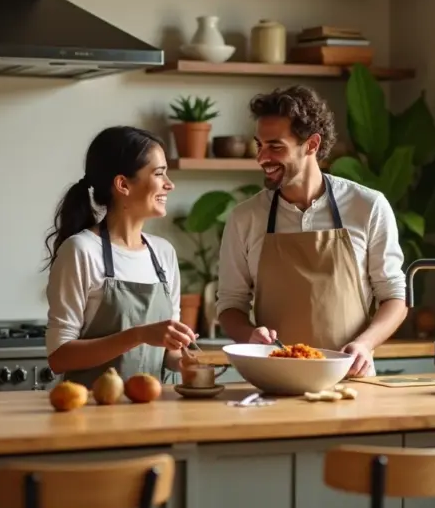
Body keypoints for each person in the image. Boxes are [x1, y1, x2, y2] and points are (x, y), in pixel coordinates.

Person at [216, 85, 409, 377]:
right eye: (259, 145)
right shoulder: (245, 217)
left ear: (312, 145)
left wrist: (365, 344)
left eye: (275, 146)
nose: (262, 158)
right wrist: (249, 335)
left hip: (350, 377)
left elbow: (394, 295)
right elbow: (230, 304)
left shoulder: (367, 206)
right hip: (275, 377)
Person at [43, 126, 197, 388]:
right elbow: (59, 357)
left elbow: (169, 351)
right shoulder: (81, 250)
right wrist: (138, 335)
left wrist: (188, 362)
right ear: (123, 184)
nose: (169, 184)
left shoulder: (163, 253)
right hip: (91, 407)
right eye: (159, 173)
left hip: (152, 406)